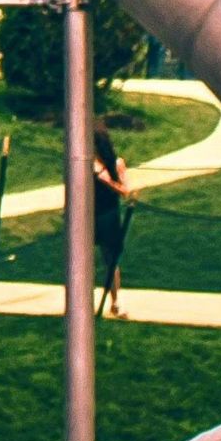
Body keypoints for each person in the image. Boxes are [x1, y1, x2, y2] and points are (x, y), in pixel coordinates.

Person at [88, 125, 133, 318]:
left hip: (108, 214)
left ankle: (115, 302)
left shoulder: (116, 163)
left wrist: (106, 180)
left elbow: (125, 191)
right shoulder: (83, 162)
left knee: (110, 259)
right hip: (87, 214)